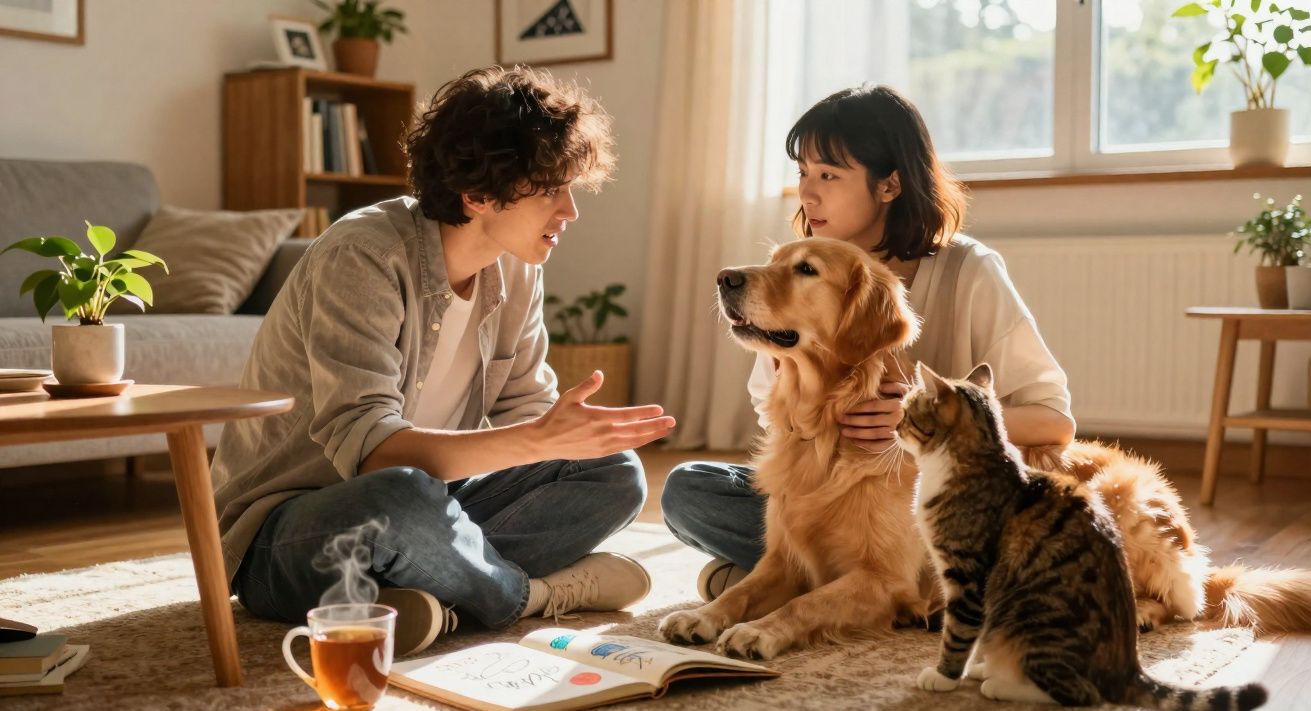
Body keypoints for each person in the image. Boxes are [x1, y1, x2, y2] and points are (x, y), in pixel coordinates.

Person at [211, 66, 676, 656]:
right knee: (398, 497)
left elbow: (526, 415)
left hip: (435, 504)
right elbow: (371, 451)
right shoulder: (364, 254)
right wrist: (538, 440)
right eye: (550, 189)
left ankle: (435, 593)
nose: (570, 212)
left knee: (612, 472)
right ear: (479, 193)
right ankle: (521, 596)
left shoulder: (518, 266)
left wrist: (563, 437)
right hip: (295, 531)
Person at [661, 84, 1075, 601]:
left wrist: (923, 420)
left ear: (889, 185)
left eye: (829, 176)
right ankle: (851, 582)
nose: (808, 195)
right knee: (690, 489)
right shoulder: (797, 275)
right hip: (839, 498)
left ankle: (822, 580)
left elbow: (1055, 423)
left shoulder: (969, 272)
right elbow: (779, 429)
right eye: (803, 174)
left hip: (937, 497)